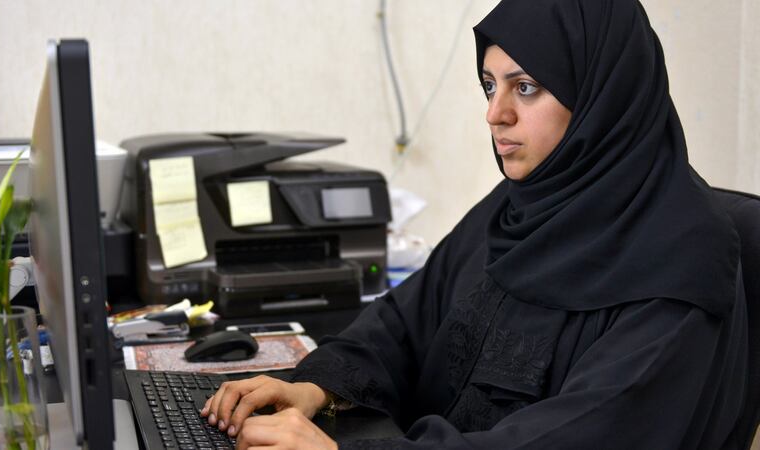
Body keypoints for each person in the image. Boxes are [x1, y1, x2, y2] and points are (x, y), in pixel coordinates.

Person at [201, 0, 748, 448]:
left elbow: (579, 434)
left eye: (525, 86)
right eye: (490, 85)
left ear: (600, 95)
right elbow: (401, 322)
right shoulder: (518, 208)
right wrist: (318, 386)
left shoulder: (683, 262)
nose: (496, 113)